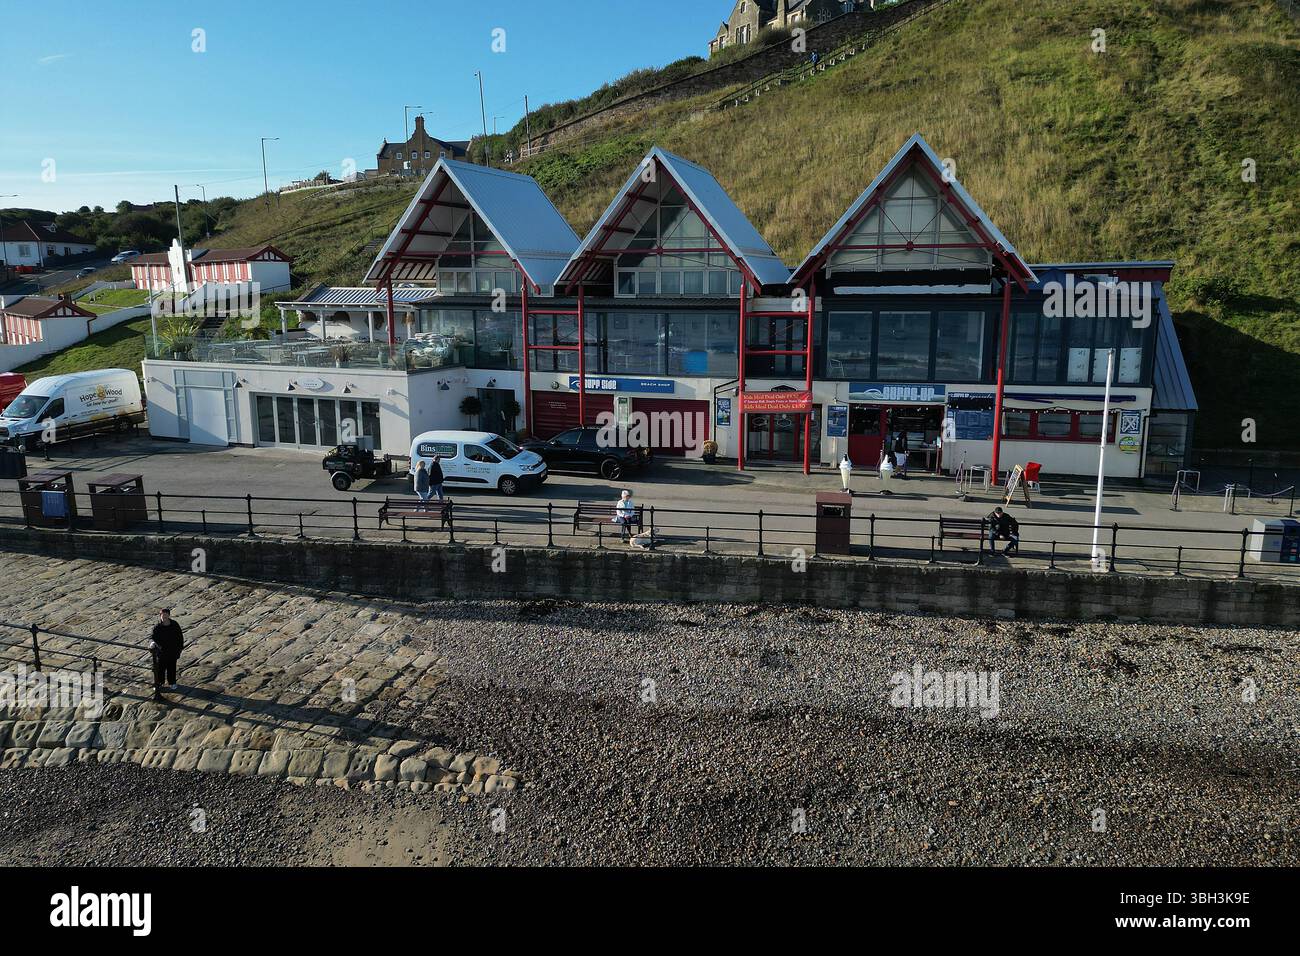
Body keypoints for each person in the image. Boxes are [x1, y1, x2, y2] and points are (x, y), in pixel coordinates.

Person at [150, 608, 184, 698]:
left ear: (169, 615)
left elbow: (180, 637)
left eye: (166, 615)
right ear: (160, 616)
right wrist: (156, 645)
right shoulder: (157, 627)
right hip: (162, 652)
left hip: (173, 650)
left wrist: (180, 648)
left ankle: (172, 682)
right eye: (162, 615)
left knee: (172, 667)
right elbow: (153, 637)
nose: (164, 617)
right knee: (161, 668)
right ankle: (160, 683)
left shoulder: (174, 624)